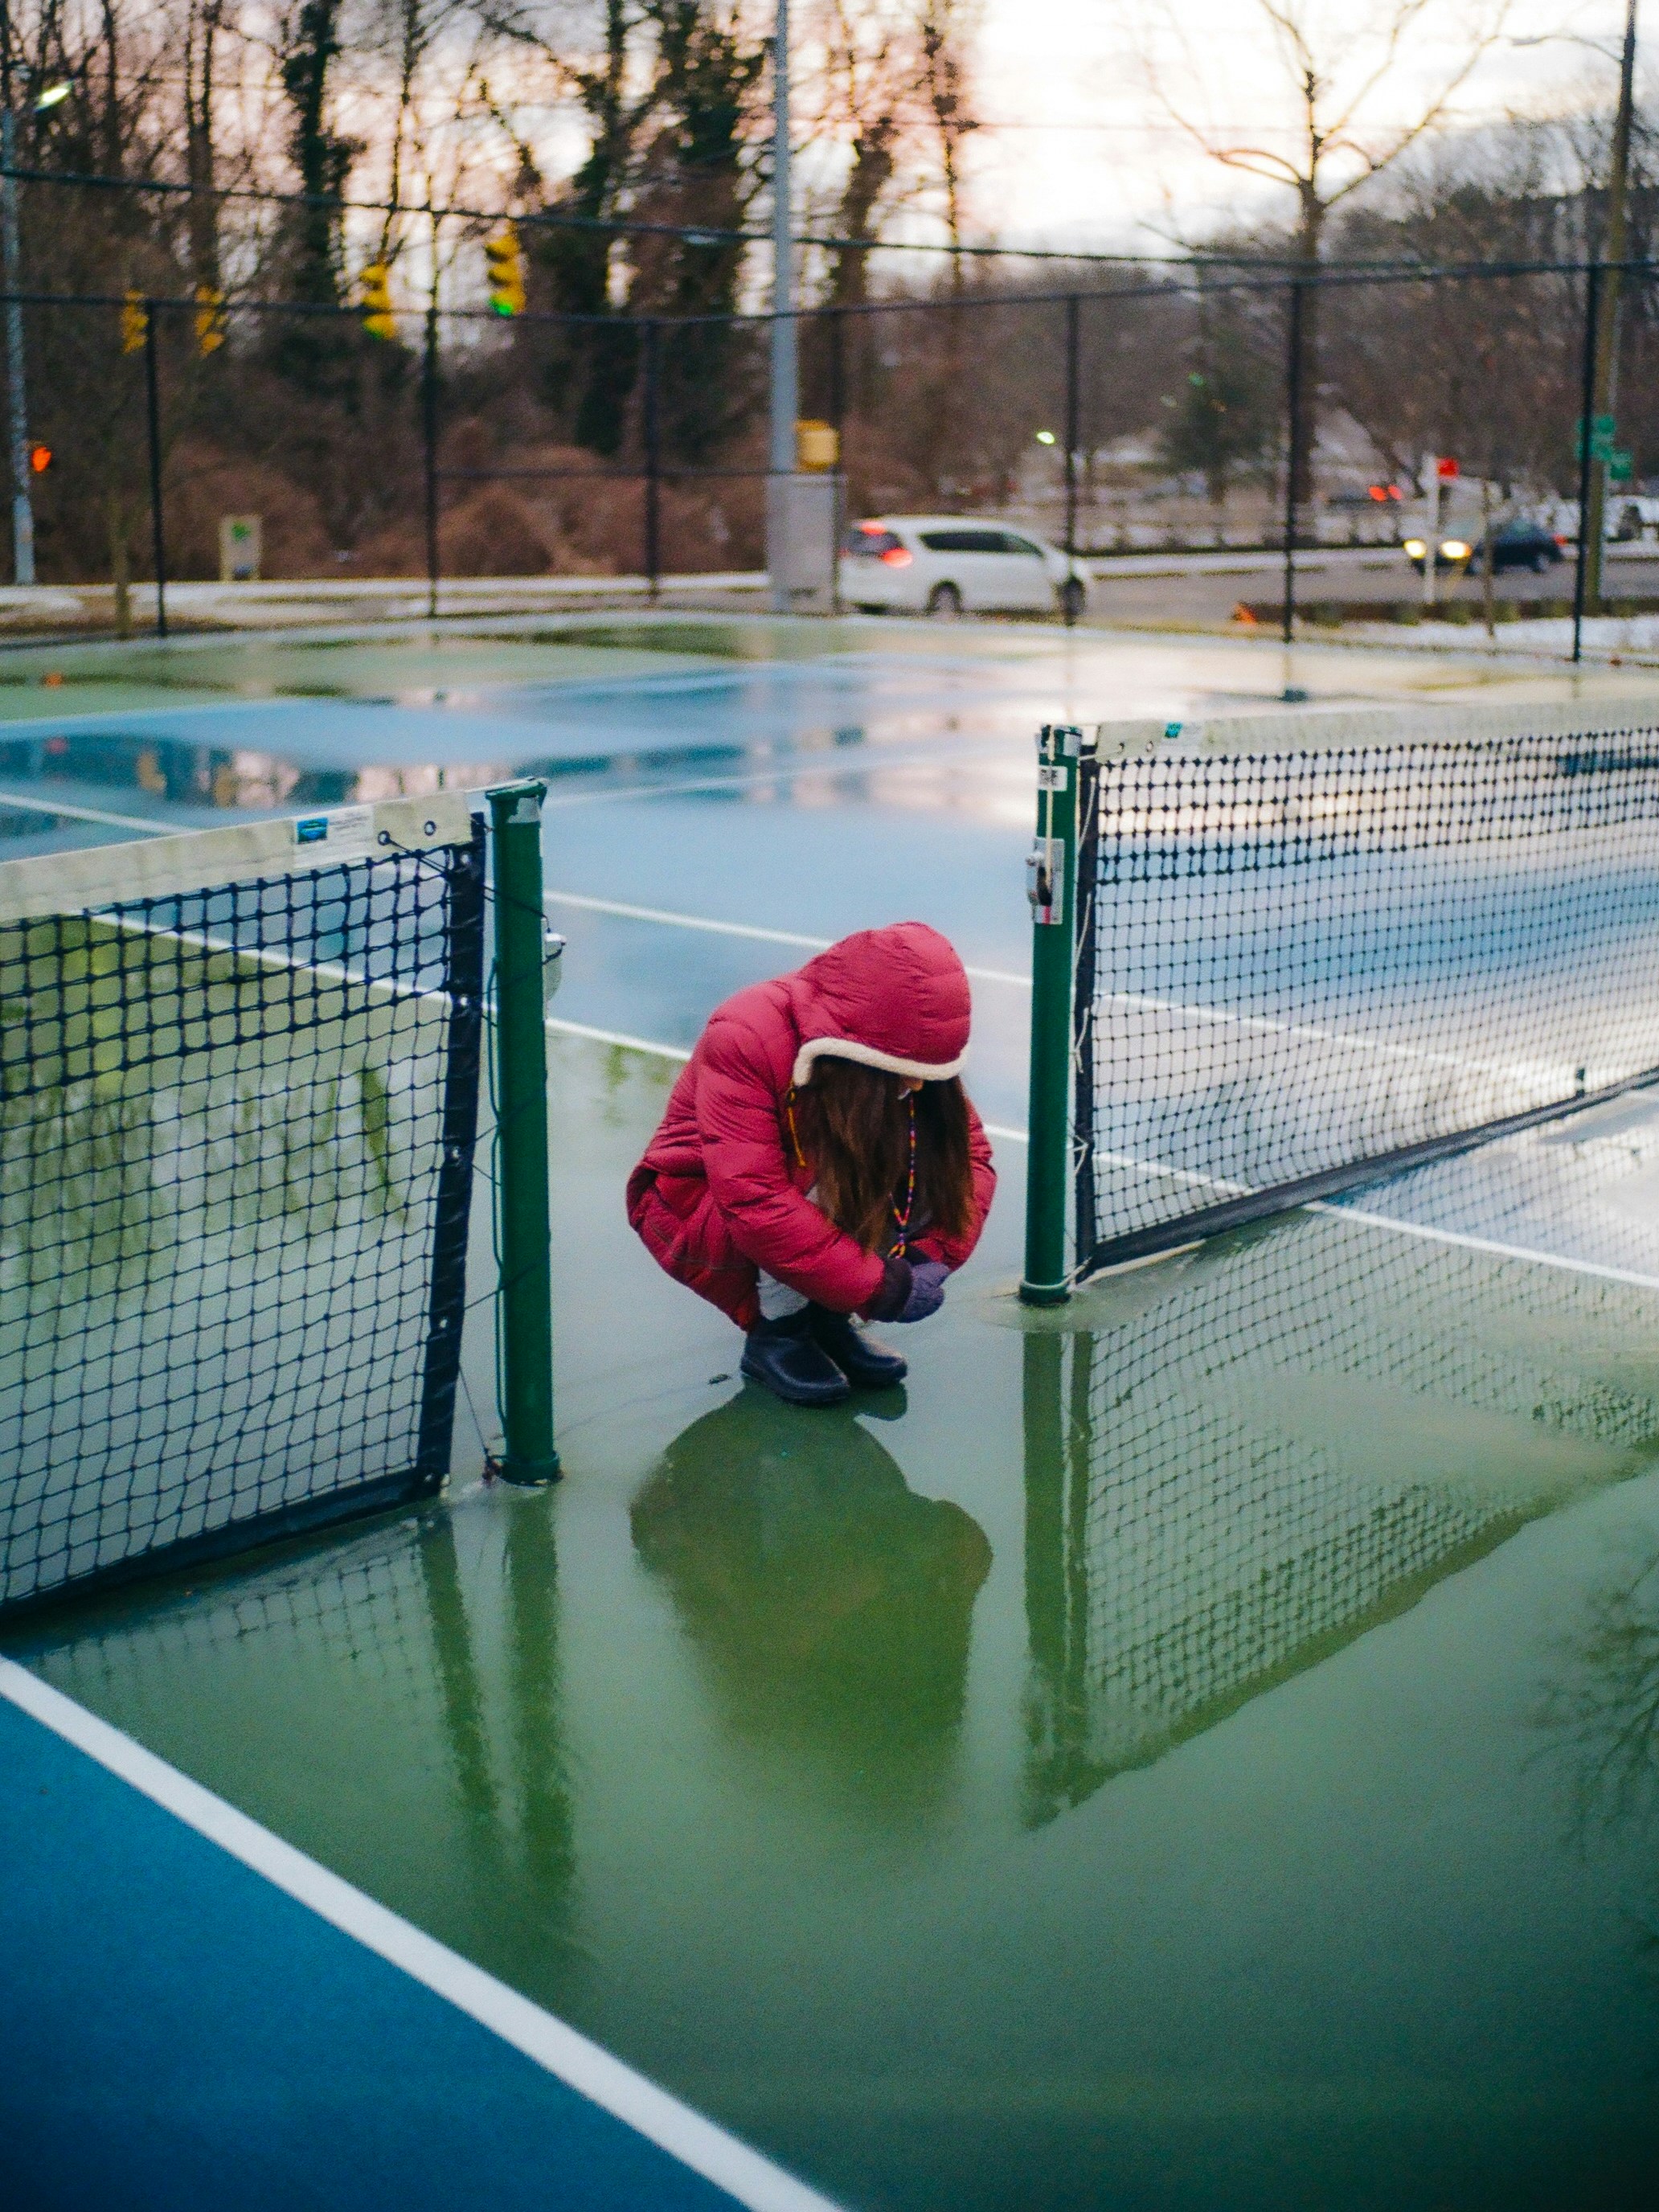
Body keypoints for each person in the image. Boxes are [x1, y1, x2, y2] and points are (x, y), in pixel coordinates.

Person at [626, 921, 997, 1406]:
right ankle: (778, 1333)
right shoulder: (744, 1032)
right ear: (862, 1048)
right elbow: (754, 1199)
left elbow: (969, 1158)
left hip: (804, 1182)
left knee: (918, 1154)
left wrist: (931, 1257)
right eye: (913, 1073)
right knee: (807, 1184)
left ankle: (827, 1317)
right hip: (698, 1206)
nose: (923, 1086)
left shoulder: (907, 1059)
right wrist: (881, 1288)